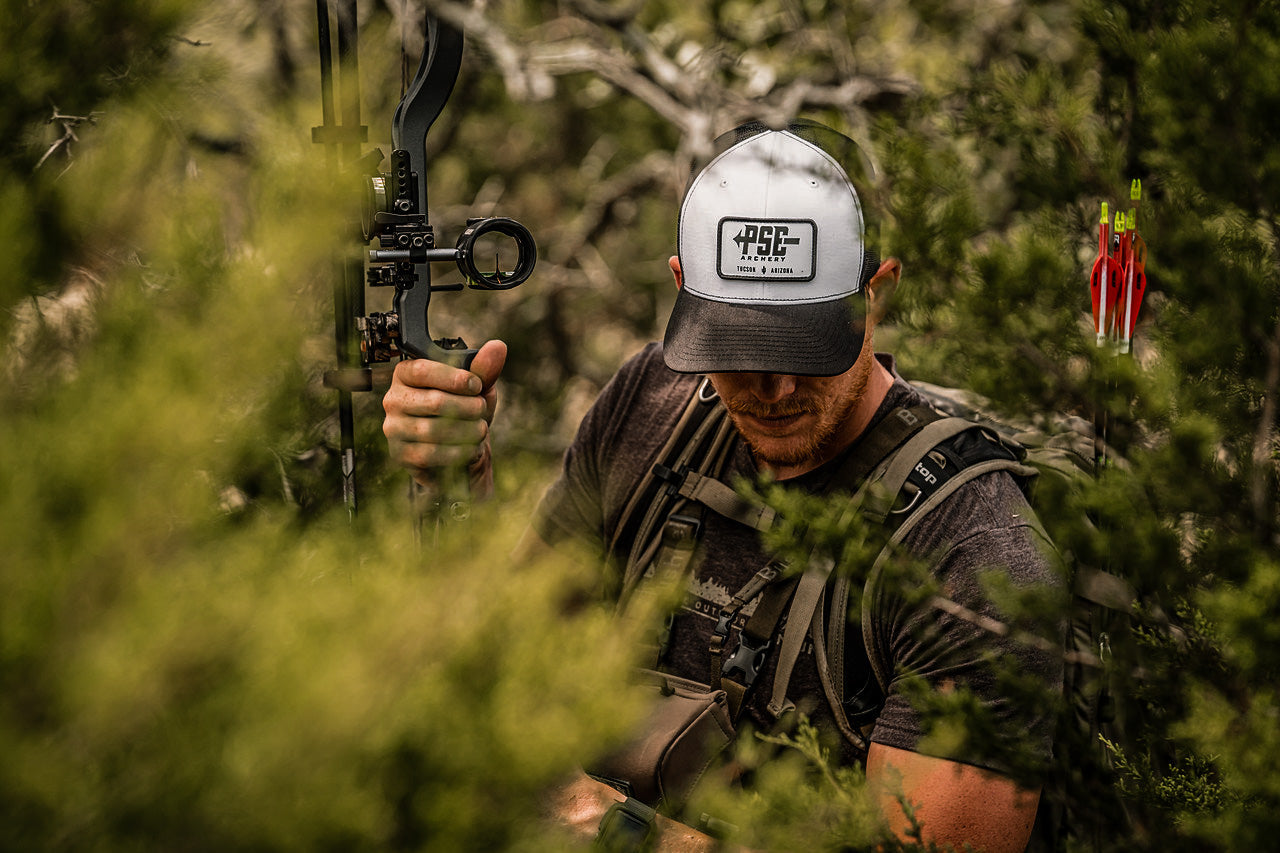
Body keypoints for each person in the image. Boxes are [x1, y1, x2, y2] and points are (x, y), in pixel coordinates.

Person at [382, 119, 1063, 852]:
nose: (773, 386)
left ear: (878, 292)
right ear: (682, 288)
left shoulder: (974, 551)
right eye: (737, 345)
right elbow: (516, 647)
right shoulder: (650, 405)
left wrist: (619, 831)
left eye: (805, 345)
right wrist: (458, 483)